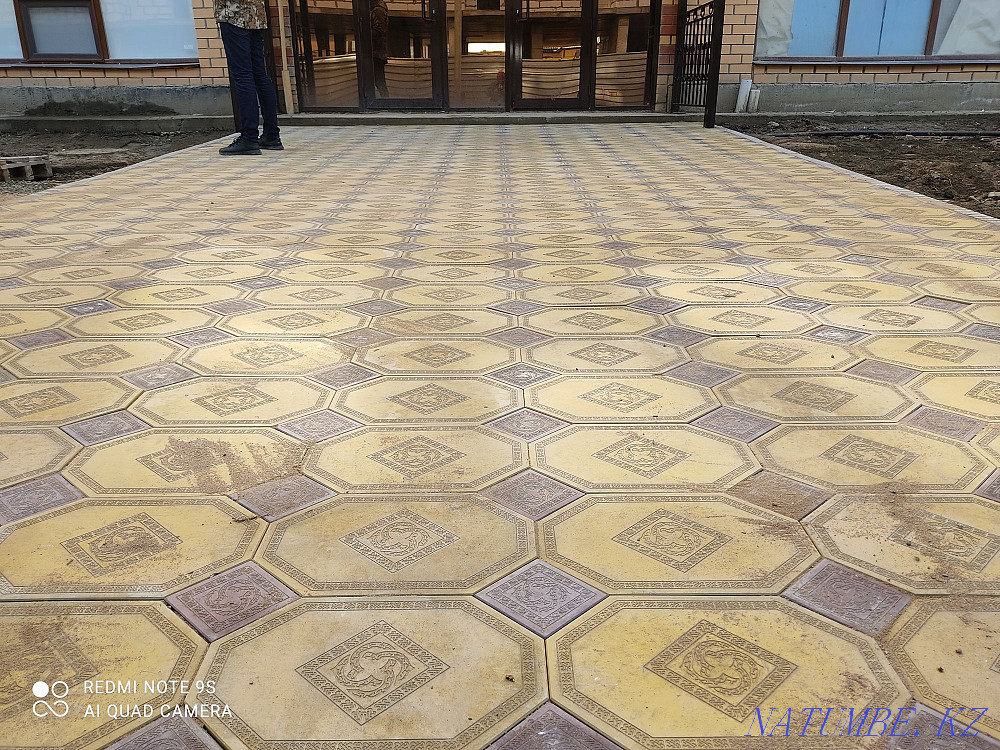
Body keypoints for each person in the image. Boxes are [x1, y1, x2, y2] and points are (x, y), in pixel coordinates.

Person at [214, 0, 283, 155]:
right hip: (255, 15)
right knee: (259, 75)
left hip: (233, 14)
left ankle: (249, 138)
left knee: (242, 75)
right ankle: (271, 135)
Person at [370, 0, 391, 98]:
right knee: (378, 81)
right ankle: (385, 101)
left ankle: (385, 102)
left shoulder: (377, 10)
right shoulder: (378, 9)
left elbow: (379, 31)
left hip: (376, 52)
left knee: (378, 81)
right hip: (377, 52)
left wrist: (364, 32)